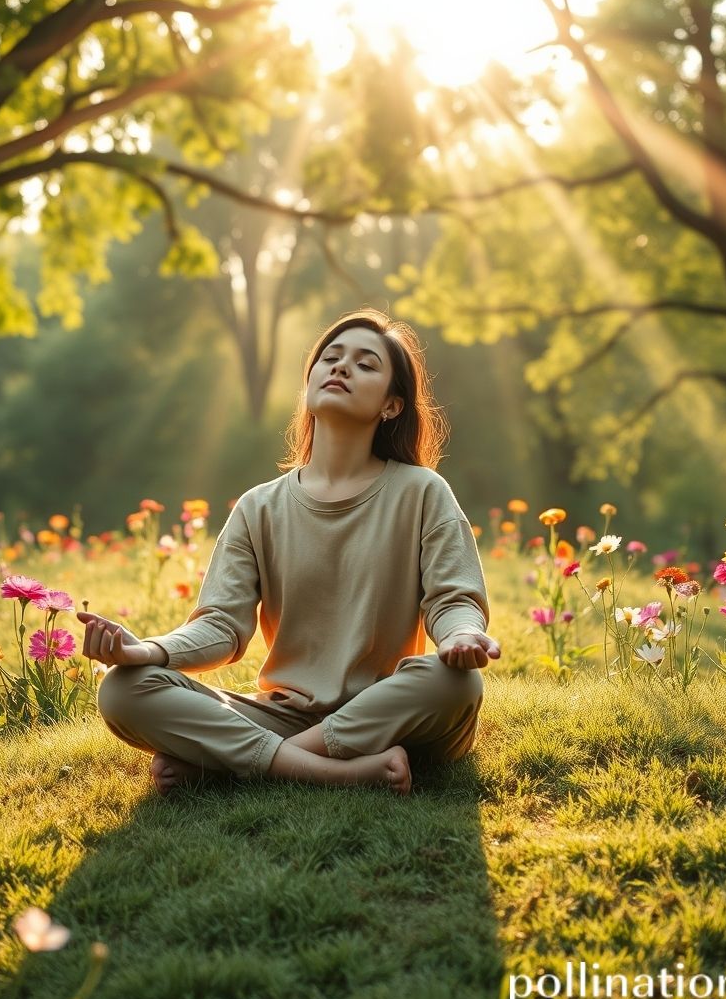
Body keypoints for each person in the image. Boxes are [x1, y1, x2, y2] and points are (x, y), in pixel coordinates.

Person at [78, 309, 501, 796]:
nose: (341, 368)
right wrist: (145, 650)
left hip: (388, 709)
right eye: (331, 358)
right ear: (310, 382)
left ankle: (232, 763)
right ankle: (339, 770)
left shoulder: (423, 491)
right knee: (123, 689)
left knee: (455, 683)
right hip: (281, 714)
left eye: (366, 365)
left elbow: (453, 599)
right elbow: (221, 627)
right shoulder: (259, 507)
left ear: (392, 405)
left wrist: (461, 636)